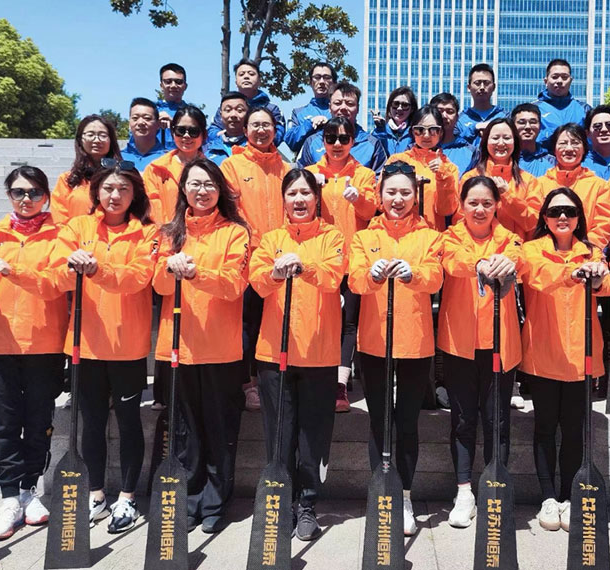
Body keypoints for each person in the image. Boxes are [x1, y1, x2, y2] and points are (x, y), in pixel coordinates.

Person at [47, 161, 158, 533]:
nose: (115, 195)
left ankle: (127, 497)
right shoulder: (77, 228)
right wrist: (71, 266)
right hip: (86, 343)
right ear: (96, 192)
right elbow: (55, 274)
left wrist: (98, 270)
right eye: (108, 188)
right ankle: (95, 494)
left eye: (123, 189)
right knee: (91, 422)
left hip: (127, 344)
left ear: (135, 194)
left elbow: (139, 276)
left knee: (128, 422)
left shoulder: (147, 232)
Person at [0, 166, 67, 541]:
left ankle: (28, 490)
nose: (27, 199)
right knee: (3, 424)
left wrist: (14, 270)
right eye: (19, 192)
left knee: (38, 421)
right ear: (9, 195)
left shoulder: (60, 236)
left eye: (35, 192)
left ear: (46, 197)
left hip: (43, 342)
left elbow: (58, 283)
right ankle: (8, 496)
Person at [153, 157, 250, 533]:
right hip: (178, 345)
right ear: (183, 190)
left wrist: (196, 273)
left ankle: (215, 501)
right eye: (194, 184)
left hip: (220, 347)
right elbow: (159, 286)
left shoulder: (235, 232)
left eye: (209, 184)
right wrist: (170, 269)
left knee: (219, 429)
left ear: (220, 190)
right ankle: (188, 499)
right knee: (184, 431)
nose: (202, 191)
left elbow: (233, 285)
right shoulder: (169, 232)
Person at [249, 168, 347, 540]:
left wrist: (303, 268)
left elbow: (334, 275)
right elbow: (257, 282)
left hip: (319, 353)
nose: (299, 200)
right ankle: (281, 501)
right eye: (292, 193)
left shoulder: (332, 236)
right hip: (275, 353)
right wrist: (276, 273)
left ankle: (307, 505)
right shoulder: (271, 239)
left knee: (312, 437)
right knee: (279, 435)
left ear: (316, 198)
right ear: (284, 200)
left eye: (305, 193)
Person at [349, 161, 444, 536]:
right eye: (391, 192)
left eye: (405, 192)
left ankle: (403, 495)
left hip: (415, 341)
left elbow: (435, 278)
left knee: (406, 422)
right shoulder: (364, 236)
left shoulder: (430, 236)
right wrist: (371, 276)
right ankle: (380, 493)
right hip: (374, 341)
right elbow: (355, 280)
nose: (398, 199)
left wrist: (413, 273)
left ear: (416, 195)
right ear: (379, 194)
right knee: (379, 421)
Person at [518, 187, 610, 532]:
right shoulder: (530, 249)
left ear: (579, 218)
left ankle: (569, 495)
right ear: (544, 217)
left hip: (581, 353)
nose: (562, 217)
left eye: (570, 212)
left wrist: (598, 277)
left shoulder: (592, 251)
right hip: (544, 351)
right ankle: (548, 497)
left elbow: (609, 286)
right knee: (545, 427)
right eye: (555, 211)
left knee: (574, 430)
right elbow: (537, 276)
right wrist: (570, 274)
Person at [438, 176, 521, 528]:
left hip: (500, 345)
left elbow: (518, 259)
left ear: (497, 205)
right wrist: (481, 263)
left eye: (487, 203)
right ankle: (464, 491)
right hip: (460, 343)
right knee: (462, 420)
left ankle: (494, 487)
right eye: (473, 202)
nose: (480, 209)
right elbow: (452, 261)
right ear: (461, 205)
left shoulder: (510, 239)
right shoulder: (449, 237)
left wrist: (506, 264)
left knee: (497, 421)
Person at [304, 116, 378, 412]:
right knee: (320, 316)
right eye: (331, 138)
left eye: (344, 138)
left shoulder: (364, 174)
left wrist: (358, 198)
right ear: (322, 141)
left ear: (353, 142)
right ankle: (316, 377)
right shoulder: (311, 173)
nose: (337, 144)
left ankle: (339, 385)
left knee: (348, 324)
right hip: (320, 258)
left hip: (352, 259)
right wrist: (313, 190)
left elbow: (371, 211)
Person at [221, 106, 292, 410]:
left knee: (277, 320)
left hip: (281, 259)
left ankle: (273, 380)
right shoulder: (231, 165)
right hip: (248, 258)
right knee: (248, 324)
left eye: (267, 125)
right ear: (245, 129)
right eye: (255, 125)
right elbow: (229, 211)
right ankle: (248, 383)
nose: (261, 130)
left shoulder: (286, 168)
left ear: (275, 130)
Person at [458, 119, 540, 241]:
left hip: (517, 249)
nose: (501, 143)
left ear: (515, 142)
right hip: (478, 249)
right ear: (486, 142)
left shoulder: (529, 181)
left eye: (507, 138)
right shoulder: (470, 178)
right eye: (495, 138)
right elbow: (460, 219)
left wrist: (508, 195)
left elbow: (533, 223)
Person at [537, 123, 610, 250]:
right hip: (546, 254)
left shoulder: (599, 186)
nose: (569, 148)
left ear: (584, 149)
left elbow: (604, 224)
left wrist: (585, 249)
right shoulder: (539, 185)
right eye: (563, 143)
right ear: (554, 149)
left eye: (575, 143)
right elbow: (535, 223)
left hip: (587, 253)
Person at [385, 106, 459, 230]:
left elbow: (446, 210)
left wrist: (443, 175)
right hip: (399, 233)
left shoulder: (449, 168)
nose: (426, 135)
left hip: (432, 234)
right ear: (412, 131)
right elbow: (380, 202)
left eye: (433, 130)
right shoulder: (397, 161)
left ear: (441, 132)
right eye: (420, 130)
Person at [297, 82, 388, 172]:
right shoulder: (312, 142)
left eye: (350, 103)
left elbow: (380, 178)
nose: (343, 107)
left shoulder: (372, 144)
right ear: (330, 107)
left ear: (357, 109)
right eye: (338, 103)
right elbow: (301, 176)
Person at [52, 115, 122, 225]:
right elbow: (60, 220)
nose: (97, 140)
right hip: (74, 234)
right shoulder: (67, 180)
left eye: (103, 135)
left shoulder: (123, 176)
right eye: (90, 135)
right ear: (80, 140)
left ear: (111, 140)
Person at [143, 105, 207, 224]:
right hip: (164, 232)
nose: (186, 136)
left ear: (204, 134)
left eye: (193, 131)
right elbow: (152, 212)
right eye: (180, 131)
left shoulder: (212, 172)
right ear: (173, 132)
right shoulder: (155, 169)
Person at [208, 59, 285, 146]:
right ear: (236, 81)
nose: (246, 77)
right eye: (241, 74)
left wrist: (249, 135)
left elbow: (278, 136)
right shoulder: (225, 108)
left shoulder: (271, 109)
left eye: (251, 74)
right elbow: (211, 132)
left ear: (259, 80)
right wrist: (227, 135)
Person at [285, 62, 336, 155]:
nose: (321, 82)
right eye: (317, 77)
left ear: (334, 82)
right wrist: (310, 123)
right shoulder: (298, 113)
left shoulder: (341, 110)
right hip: (307, 163)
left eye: (326, 77)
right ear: (310, 82)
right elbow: (291, 142)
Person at [534, 59, 591, 142]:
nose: (559, 81)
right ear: (546, 81)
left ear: (570, 81)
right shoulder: (534, 109)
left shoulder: (585, 109)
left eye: (564, 77)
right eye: (555, 77)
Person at [455, 63, 508, 145]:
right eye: (477, 83)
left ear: (494, 87)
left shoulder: (505, 116)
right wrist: (475, 128)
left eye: (486, 83)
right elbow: (454, 143)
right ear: (469, 88)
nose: (482, 87)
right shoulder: (459, 120)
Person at [430, 92, 480, 176]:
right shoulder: (417, 148)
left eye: (450, 112)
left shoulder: (472, 152)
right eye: (439, 111)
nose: (444, 116)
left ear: (457, 117)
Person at [582, 105, 610, 179]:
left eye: (609, 125)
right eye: (597, 126)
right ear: (587, 133)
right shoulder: (581, 163)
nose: (604, 129)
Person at [120, 97, 167, 170]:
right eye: (135, 118)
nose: (140, 122)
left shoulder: (168, 159)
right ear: (129, 124)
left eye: (147, 118)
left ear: (158, 124)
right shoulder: (118, 158)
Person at [511, 103, 556, 177]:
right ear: (512, 126)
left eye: (533, 122)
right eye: (522, 122)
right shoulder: (505, 159)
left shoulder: (552, 162)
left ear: (540, 126)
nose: (528, 127)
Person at [372, 86, 417, 157]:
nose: (399, 108)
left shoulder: (416, 133)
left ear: (412, 109)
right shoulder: (381, 131)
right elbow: (375, 153)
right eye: (396, 104)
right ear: (389, 106)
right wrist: (380, 130)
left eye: (405, 105)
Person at [206, 92, 249, 165]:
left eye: (239, 110)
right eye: (228, 110)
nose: (233, 115)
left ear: (248, 114)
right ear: (221, 114)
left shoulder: (257, 147)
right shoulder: (209, 149)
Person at [156, 62, 190, 149]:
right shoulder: (149, 111)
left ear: (185, 86)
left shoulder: (191, 113)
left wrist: (174, 124)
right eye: (168, 81)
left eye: (178, 82)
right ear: (161, 85)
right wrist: (153, 123)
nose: (173, 85)